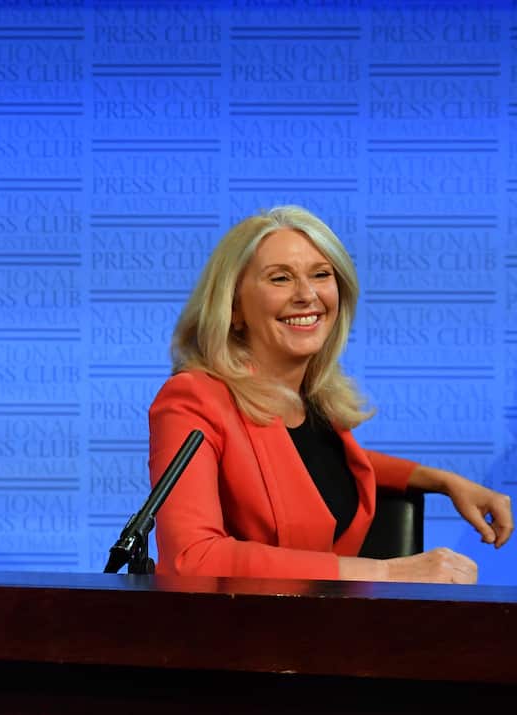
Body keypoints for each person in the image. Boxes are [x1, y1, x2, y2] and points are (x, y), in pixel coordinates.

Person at [149, 205, 511, 582]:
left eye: (321, 275)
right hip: (241, 634)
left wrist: (443, 480)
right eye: (280, 279)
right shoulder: (193, 399)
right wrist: (388, 572)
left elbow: (319, 463)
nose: (307, 295)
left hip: (329, 633)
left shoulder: (313, 402)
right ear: (234, 308)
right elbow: (190, 558)